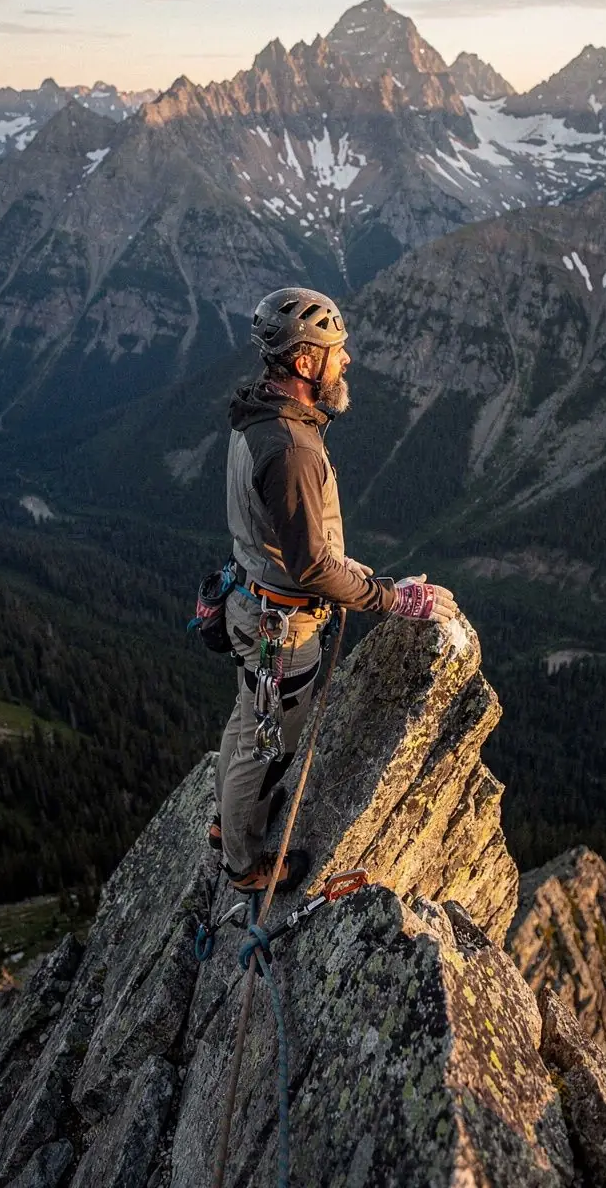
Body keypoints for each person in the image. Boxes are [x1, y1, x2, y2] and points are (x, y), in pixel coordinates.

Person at [213, 286, 457, 893]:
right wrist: (391, 597)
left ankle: (228, 824)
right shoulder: (293, 449)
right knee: (265, 744)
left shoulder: (262, 417)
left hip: (256, 601)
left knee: (249, 721)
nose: (346, 360)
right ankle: (243, 865)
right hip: (283, 628)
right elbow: (314, 568)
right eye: (336, 350)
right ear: (304, 363)